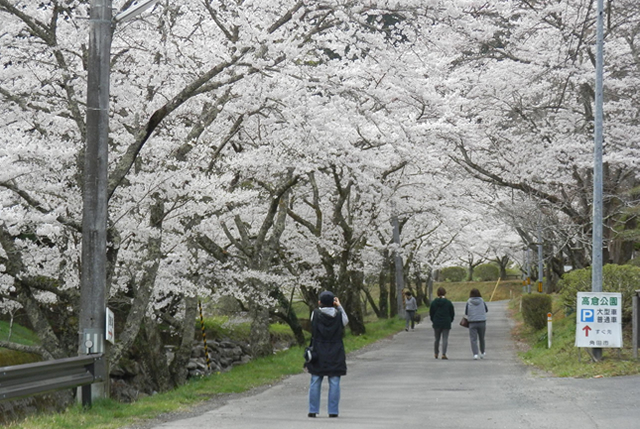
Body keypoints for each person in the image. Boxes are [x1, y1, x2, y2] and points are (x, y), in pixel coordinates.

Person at [305, 291, 349, 418]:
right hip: (336, 350)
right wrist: (339, 306)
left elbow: (312, 323)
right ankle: (333, 411)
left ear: (320, 302)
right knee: (334, 380)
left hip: (318, 349)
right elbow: (346, 321)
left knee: (315, 380)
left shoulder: (315, 314)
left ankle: (313, 410)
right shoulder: (339, 315)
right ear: (333, 302)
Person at [429, 286, 455, 359]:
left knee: (437, 339)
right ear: (445, 293)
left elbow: (431, 313)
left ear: (437, 293)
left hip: (436, 322)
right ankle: (443, 354)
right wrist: (450, 320)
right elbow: (452, 313)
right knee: (445, 338)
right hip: (446, 322)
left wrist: (433, 320)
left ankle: (436, 353)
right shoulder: (448, 303)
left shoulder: (434, 303)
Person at [466, 288, 488, 360]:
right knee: (482, 338)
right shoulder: (482, 301)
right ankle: (482, 352)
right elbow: (486, 310)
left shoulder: (469, 302)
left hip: (472, 322)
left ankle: (475, 354)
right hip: (482, 321)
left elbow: (466, 312)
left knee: (473, 339)